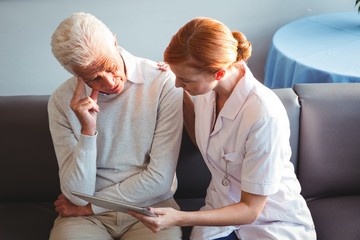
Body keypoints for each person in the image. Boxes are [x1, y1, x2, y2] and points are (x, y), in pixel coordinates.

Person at [129, 17, 317, 240]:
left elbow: (250, 210)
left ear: (218, 73)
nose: (178, 84)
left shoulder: (264, 114)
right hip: (219, 213)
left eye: (184, 80)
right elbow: (200, 138)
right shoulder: (205, 91)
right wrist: (176, 82)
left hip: (270, 222)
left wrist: (179, 217)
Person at [48, 12, 183, 240]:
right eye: (93, 78)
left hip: (149, 208)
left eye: (109, 67)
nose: (110, 83)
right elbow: (78, 195)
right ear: (75, 74)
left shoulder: (163, 83)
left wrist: (91, 207)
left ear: (114, 40)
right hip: (85, 217)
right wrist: (88, 132)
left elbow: (160, 180)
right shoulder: (61, 101)